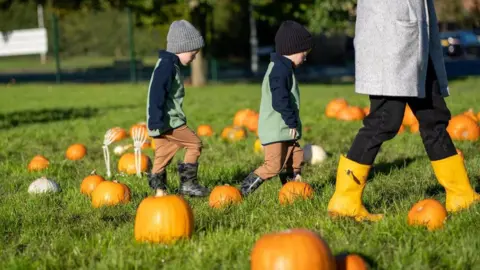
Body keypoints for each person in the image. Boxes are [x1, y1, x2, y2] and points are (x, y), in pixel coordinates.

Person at [327, 0, 480, 221]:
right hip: (391, 41)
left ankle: (460, 194)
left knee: (433, 117)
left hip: (416, 41)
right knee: (384, 120)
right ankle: (345, 200)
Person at [241, 20, 313, 196]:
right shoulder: (279, 70)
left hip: (284, 129)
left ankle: (291, 191)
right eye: (304, 52)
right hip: (276, 128)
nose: (305, 56)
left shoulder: (285, 68)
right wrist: (292, 122)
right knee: (273, 165)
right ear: (293, 49)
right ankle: (243, 190)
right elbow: (279, 100)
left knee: (295, 157)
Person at [146, 20, 209, 197]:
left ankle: (159, 192)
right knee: (194, 144)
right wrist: (156, 118)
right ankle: (188, 184)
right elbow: (156, 94)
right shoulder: (167, 67)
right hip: (168, 121)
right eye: (193, 52)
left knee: (163, 154)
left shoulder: (167, 64)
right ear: (181, 48)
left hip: (160, 121)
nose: (195, 57)